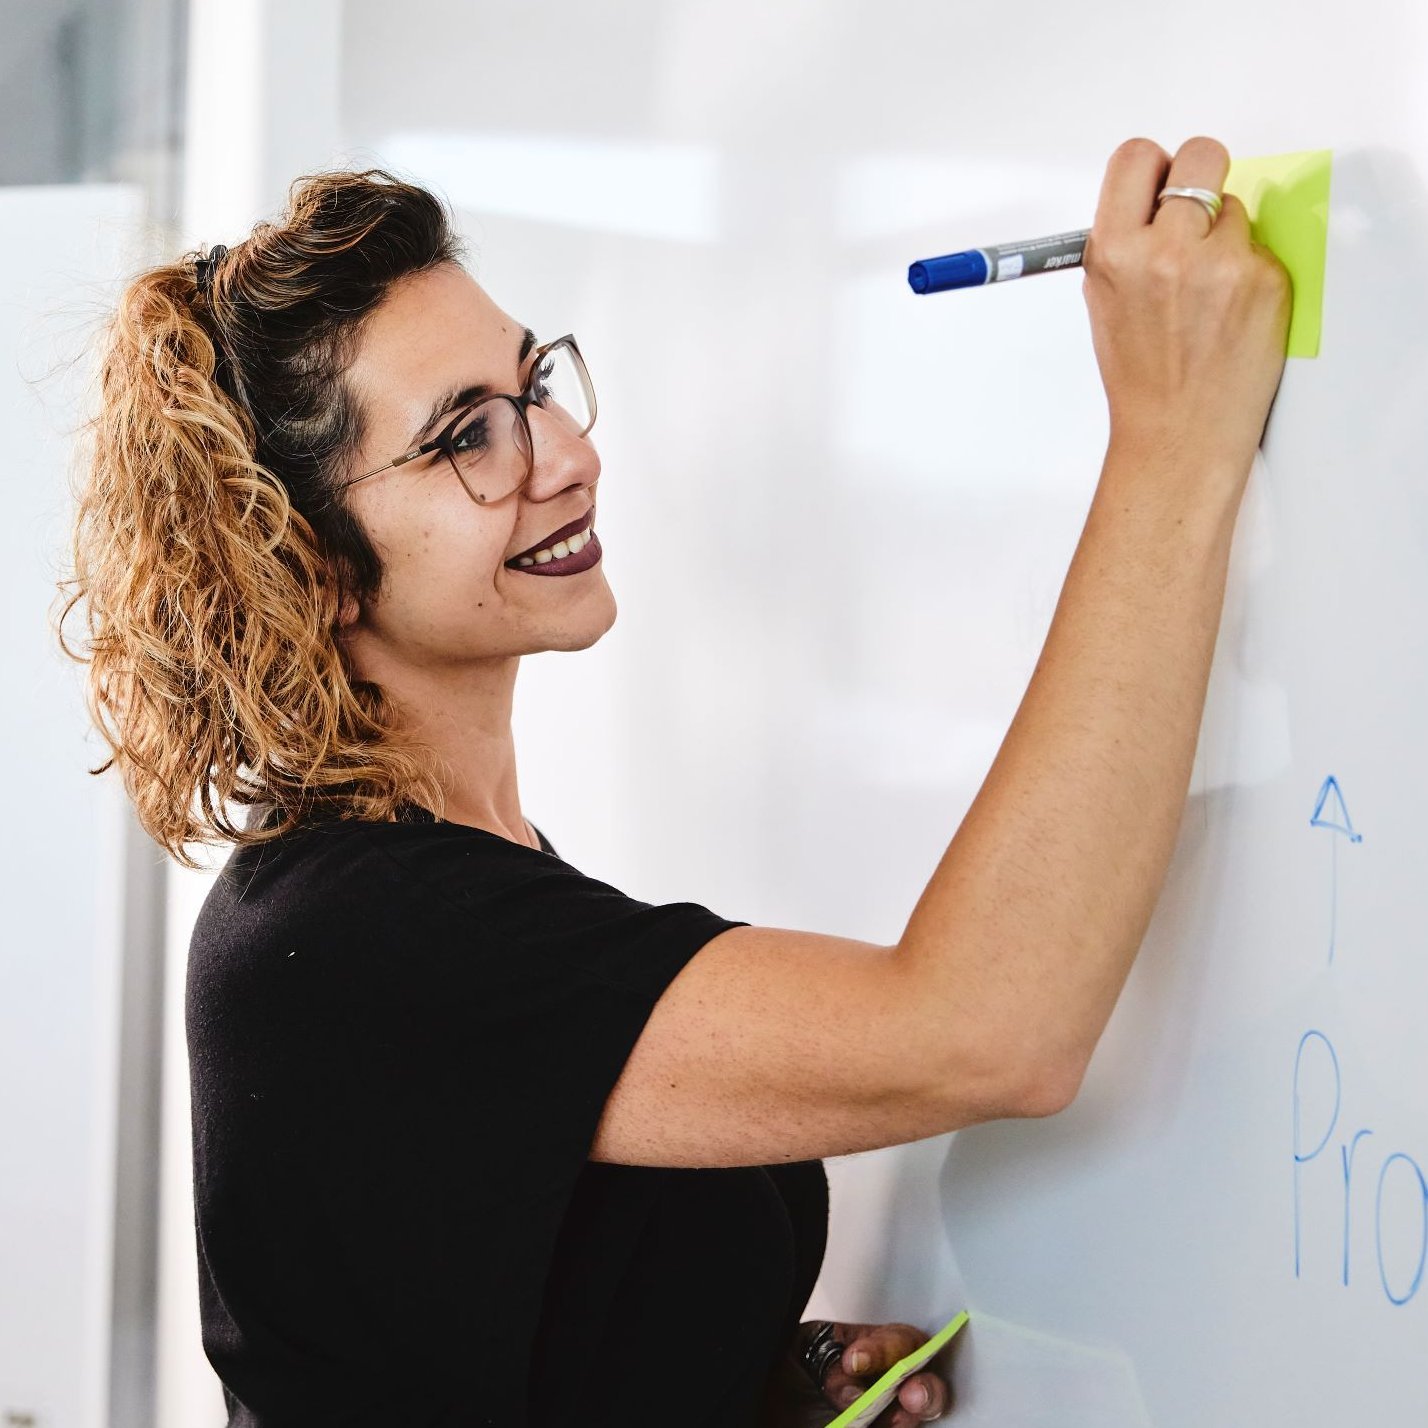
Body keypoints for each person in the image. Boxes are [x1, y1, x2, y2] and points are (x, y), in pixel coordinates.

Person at [55, 132, 1289, 1427]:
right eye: (466, 436)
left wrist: (738, 1374)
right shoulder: (364, 937)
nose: (565, 453)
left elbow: (479, 1314)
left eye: (533, 384)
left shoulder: (446, 882)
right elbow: (990, 1032)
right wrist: (1173, 440)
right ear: (309, 568)